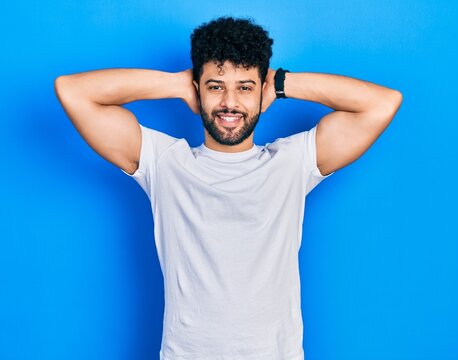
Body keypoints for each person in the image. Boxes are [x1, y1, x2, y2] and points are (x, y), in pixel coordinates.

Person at [55, 16, 402, 360]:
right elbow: (73, 91)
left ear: (261, 91)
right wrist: (177, 84)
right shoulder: (165, 163)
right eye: (216, 86)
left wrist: (280, 83)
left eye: (245, 87)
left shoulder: (292, 162)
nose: (230, 103)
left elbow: (383, 103)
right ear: (198, 90)